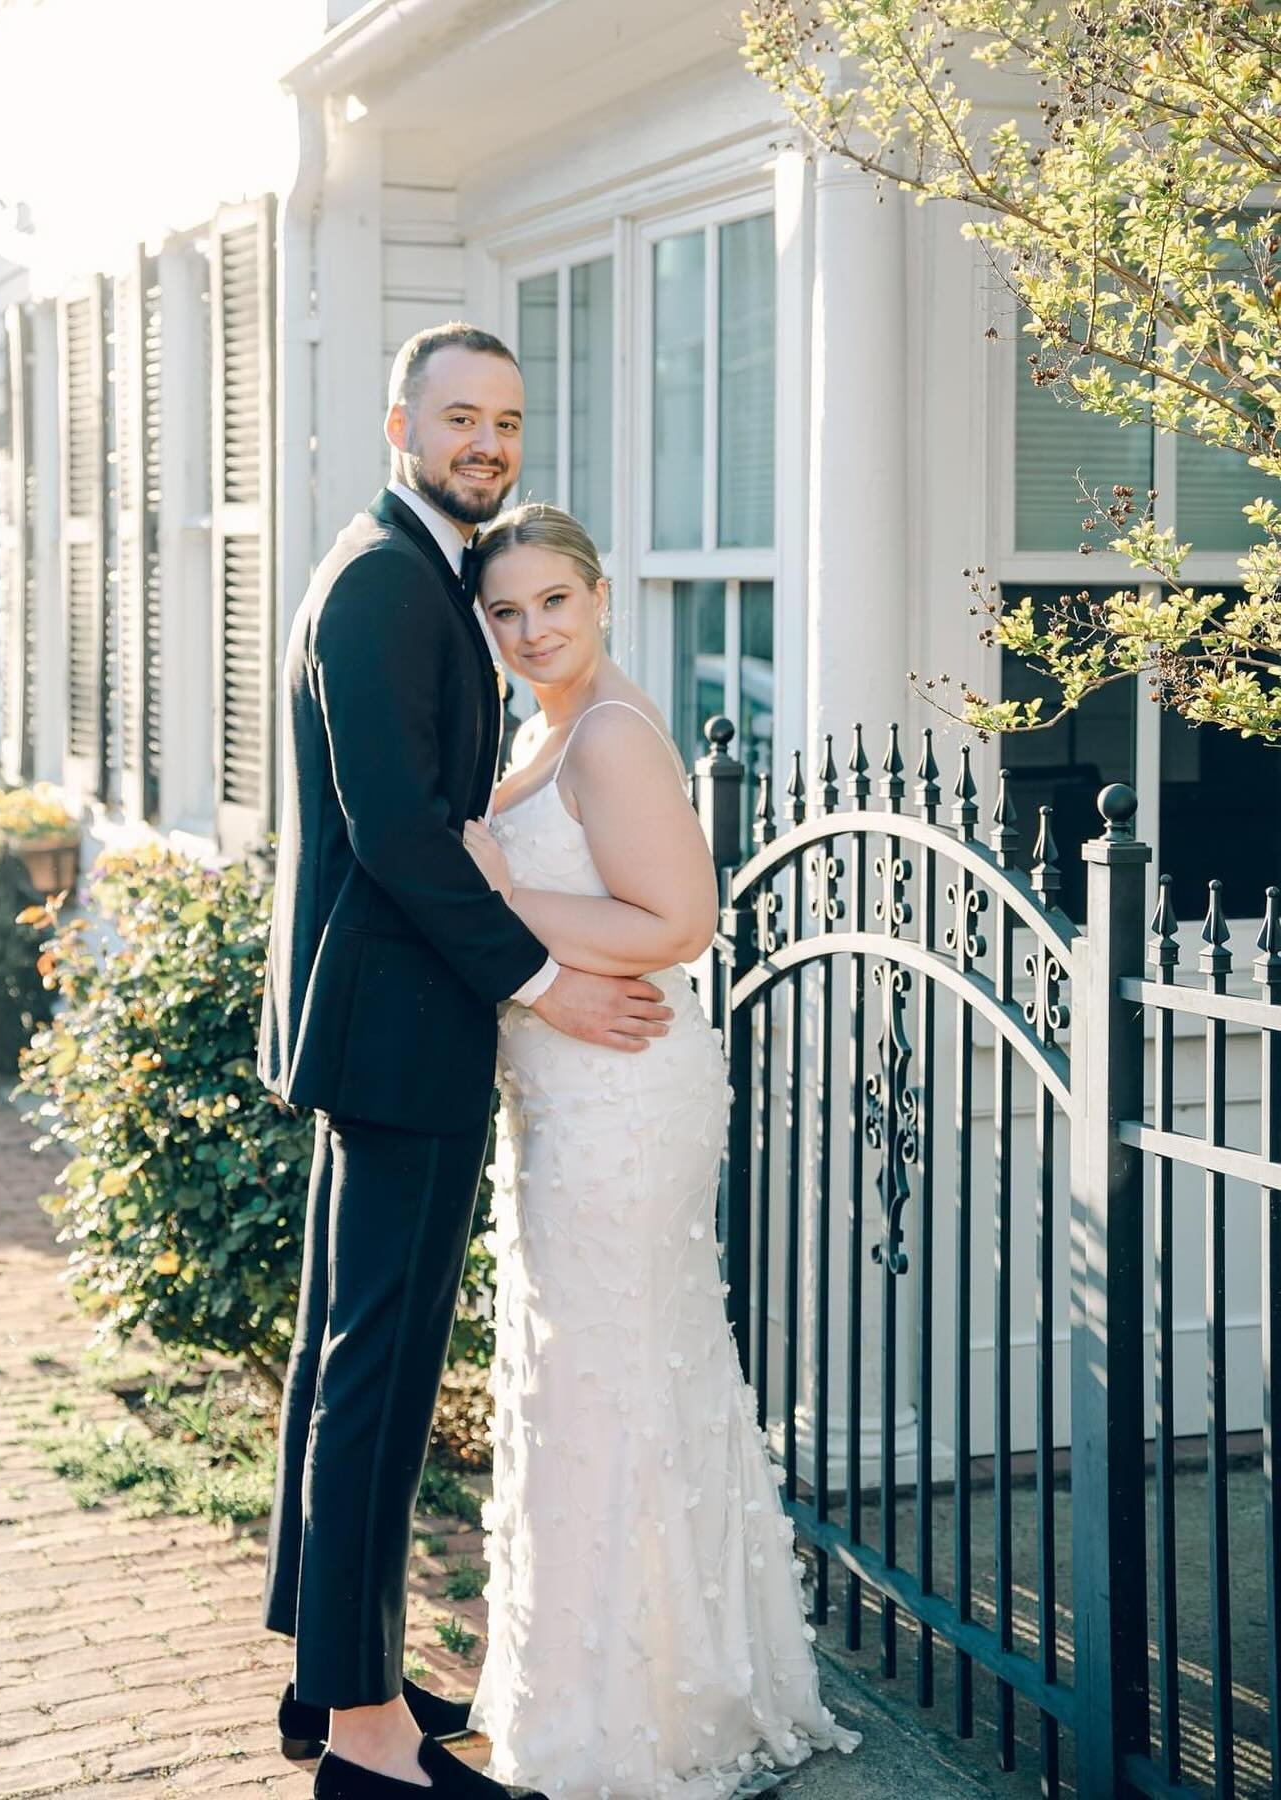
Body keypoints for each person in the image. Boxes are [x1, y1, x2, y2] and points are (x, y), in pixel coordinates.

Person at [257, 323, 673, 1800]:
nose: (487, 441)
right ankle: (364, 1739)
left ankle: (332, 1670)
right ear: (400, 424)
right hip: (400, 1028)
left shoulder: (421, 572)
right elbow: (397, 834)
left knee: (343, 1357)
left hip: (382, 1021)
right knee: (377, 1368)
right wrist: (547, 981)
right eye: (459, 417)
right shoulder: (382, 584)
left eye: (506, 418)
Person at [459, 503, 862, 1799]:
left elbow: (679, 922)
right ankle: (609, 1689)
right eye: (507, 612)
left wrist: (496, 894)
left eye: (553, 604)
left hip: (624, 1093)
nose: (531, 631)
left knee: (614, 1373)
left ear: (602, 596)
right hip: (570, 1089)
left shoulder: (615, 736)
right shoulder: (545, 724)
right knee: (587, 1378)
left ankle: (643, 1715)